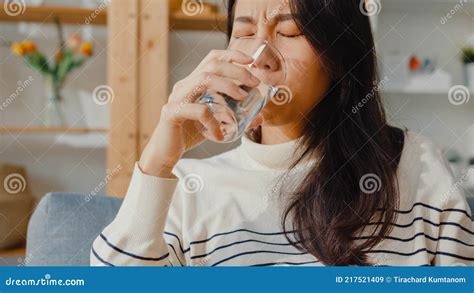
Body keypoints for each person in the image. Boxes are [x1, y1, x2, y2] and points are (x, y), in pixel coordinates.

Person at [91, 0, 473, 266]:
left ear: (338, 57)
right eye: (243, 32)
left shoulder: (415, 166)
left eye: (289, 32)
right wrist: (158, 161)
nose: (260, 54)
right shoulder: (191, 187)